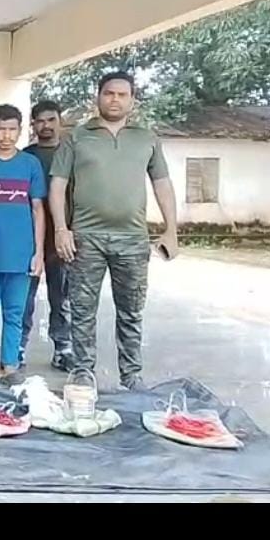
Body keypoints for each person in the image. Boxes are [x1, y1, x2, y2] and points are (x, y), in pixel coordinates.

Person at [50, 71, 178, 391]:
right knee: (82, 310)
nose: (115, 99)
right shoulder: (77, 137)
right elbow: (58, 185)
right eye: (109, 93)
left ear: (133, 100)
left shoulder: (146, 138)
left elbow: (162, 184)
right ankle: (83, 371)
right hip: (85, 238)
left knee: (131, 311)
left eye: (122, 94)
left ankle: (131, 376)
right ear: (98, 96)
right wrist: (61, 229)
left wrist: (171, 229)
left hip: (132, 240)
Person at [0, 104, 46, 389]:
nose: (6, 135)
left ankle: (11, 366)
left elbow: (38, 210)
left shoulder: (30, 164)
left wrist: (38, 252)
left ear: (20, 131)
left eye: (12, 129)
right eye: (1, 129)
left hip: (21, 254)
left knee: (15, 313)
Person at [21, 99, 74, 371]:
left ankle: (63, 348)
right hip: (30, 238)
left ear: (60, 121)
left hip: (63, 237)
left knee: (62, 295)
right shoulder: (25, 157)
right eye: (40, 121)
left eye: (51, 120)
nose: (46, 126)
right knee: (24, 296)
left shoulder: (71, 154)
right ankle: (17, 347)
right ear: (33, 125)